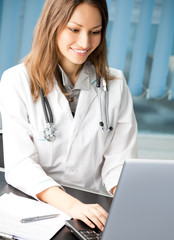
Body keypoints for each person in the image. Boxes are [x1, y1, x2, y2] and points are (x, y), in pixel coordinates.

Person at [0, 0, 138, 232]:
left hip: (93, 210)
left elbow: (119, 162)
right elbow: (20, 165)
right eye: (74, 29)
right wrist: (74, 206)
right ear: (52, 25)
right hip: (35, 208)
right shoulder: (17, 81)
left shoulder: (115, 84)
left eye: (95, 32)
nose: (85, 43)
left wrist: (128, 202)